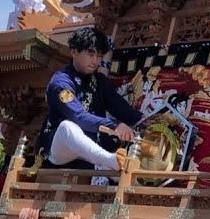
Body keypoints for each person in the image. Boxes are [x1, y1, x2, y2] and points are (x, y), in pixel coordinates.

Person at [36, 26, 142, 171]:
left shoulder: (100, 82)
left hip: (93, 152)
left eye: (99, 56)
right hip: (60, 152)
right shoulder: (61, 83)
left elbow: (122, 109)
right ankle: (110, 160)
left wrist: (144, 119)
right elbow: (78, 116)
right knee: (67, 127)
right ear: (74, 51)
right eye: (91, 54)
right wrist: (114, 125)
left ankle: (111, 162)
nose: (95, 61)